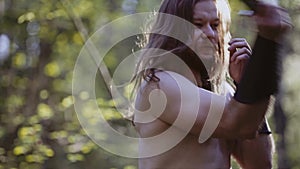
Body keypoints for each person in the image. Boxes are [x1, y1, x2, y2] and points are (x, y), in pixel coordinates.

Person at [132, 0, 291, 168]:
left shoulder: (226, 93)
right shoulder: (160, 87)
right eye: (198, 24)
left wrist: (244, 84)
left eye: (215, 25)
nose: (210, 33)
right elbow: (237, 124)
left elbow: (260, 164)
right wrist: (267, 40)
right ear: (174, 30)